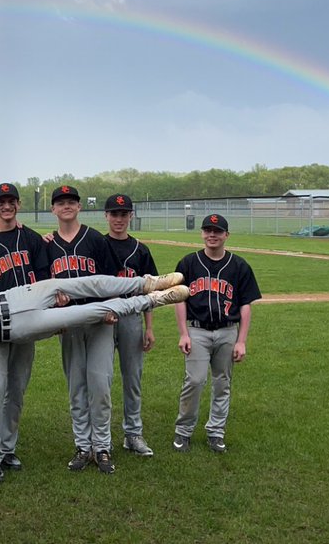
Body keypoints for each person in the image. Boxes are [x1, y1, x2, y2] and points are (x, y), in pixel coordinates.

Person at [0, 255, 189, 473]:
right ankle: (152, 300)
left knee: (81, 283)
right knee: (87, 313)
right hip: (15, 327)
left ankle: (146, 283)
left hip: (15, 296)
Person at [0, 182, 51, 483]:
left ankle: (7, 448)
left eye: (11, 201)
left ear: (18, 204)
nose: (6, 206)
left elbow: (43, 279)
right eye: (1, 201)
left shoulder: (31, 238)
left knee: (16, 391)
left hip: (26, 323)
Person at [45, 185, 121, 474]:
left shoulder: (95, 240)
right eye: (60, 202)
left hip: (99, 320)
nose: (66, 206)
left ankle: (102, 447)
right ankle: (82, 446)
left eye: (71, 202)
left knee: (100, 386)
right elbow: (42, 284)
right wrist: (54, 308)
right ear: (53, 209)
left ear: (79, 207)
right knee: (76, 386)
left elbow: (112, 280)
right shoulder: (47, 244)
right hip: (69, 322)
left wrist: (112, 308)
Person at [172, 214, 262, 455]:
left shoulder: (239, 265)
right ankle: (183, 430)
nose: (212, 235)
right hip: (197, 330)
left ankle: (216, 432)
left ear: (226, 235)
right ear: (202, 233)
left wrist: (241, 340)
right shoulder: (189, 263)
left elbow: (245, 305)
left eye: (217, 231)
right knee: (195, 380)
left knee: (223, 383)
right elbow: (179, 300)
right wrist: (183, 333)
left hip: (227, 331)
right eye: (208, 230)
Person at [103, 193, 159, 458]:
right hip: (102, 318)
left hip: (131, 317)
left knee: (132, 377)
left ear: (131, 216)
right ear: (106, 216)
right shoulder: (96, 245)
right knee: (101, 379)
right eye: (114, 214)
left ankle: (133, 434)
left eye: (123, 214)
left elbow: (149, 293)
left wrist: (149, 327)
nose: (119, 219)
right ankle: (100, 437)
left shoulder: (141, 250)